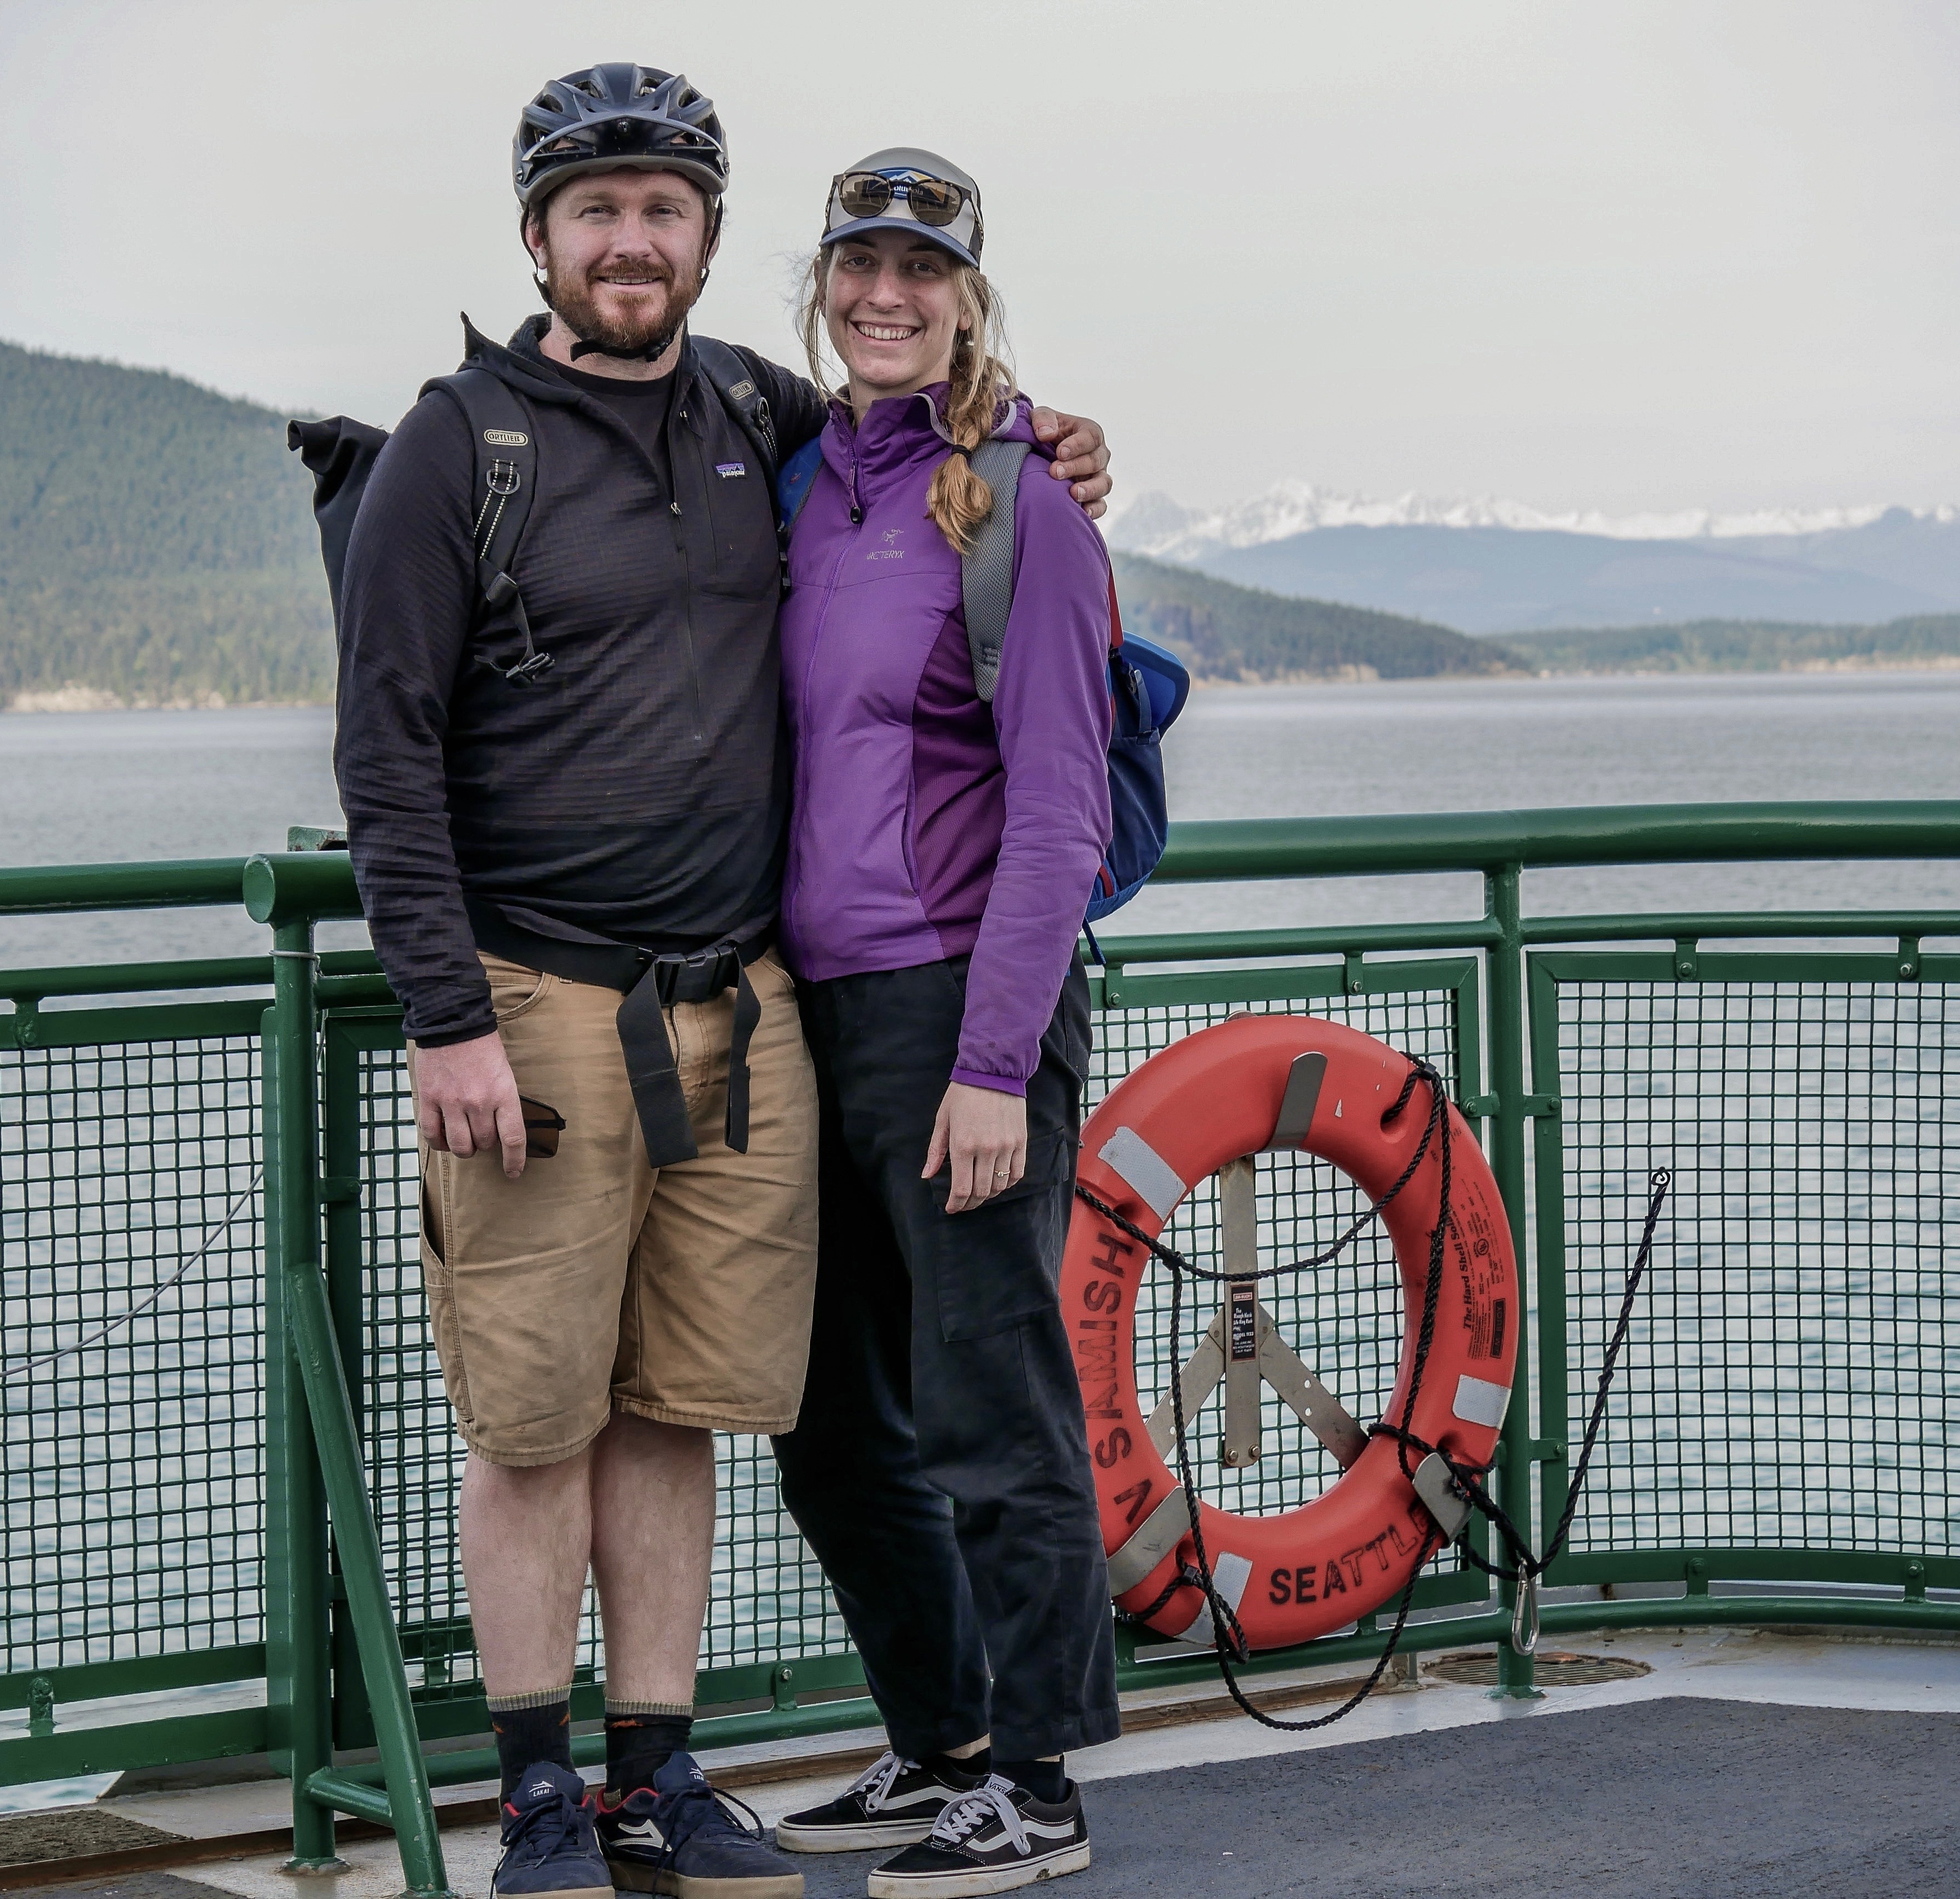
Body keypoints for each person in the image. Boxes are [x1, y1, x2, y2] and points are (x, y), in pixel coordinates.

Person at [332, 70, 1112, 1899]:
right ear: (539, 237)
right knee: (702, 1419)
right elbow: (387, 749)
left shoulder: (889, 463)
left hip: (862, 1019)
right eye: (596, 210)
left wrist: (1053, 451)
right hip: (659, 1011)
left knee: (877, 1405)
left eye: (662, 209)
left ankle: (981, 1781)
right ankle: (753, 1769)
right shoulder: (578, 443)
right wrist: (445, 1010)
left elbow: (1056, 784)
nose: (629, 240)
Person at [764, 151, 1120, 1897]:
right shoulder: (806, 484)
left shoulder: (1022, 506)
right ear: (822, 284)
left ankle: (1042, 1784)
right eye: (859, 264)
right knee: (826, 1417)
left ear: (970, 297)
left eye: (922, 270)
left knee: (990, 1406)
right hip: (807, 1009)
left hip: (965, 1007)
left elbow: (1057, 812)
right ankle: (941, 1742)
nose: (885, 294)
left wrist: (995, 1064)